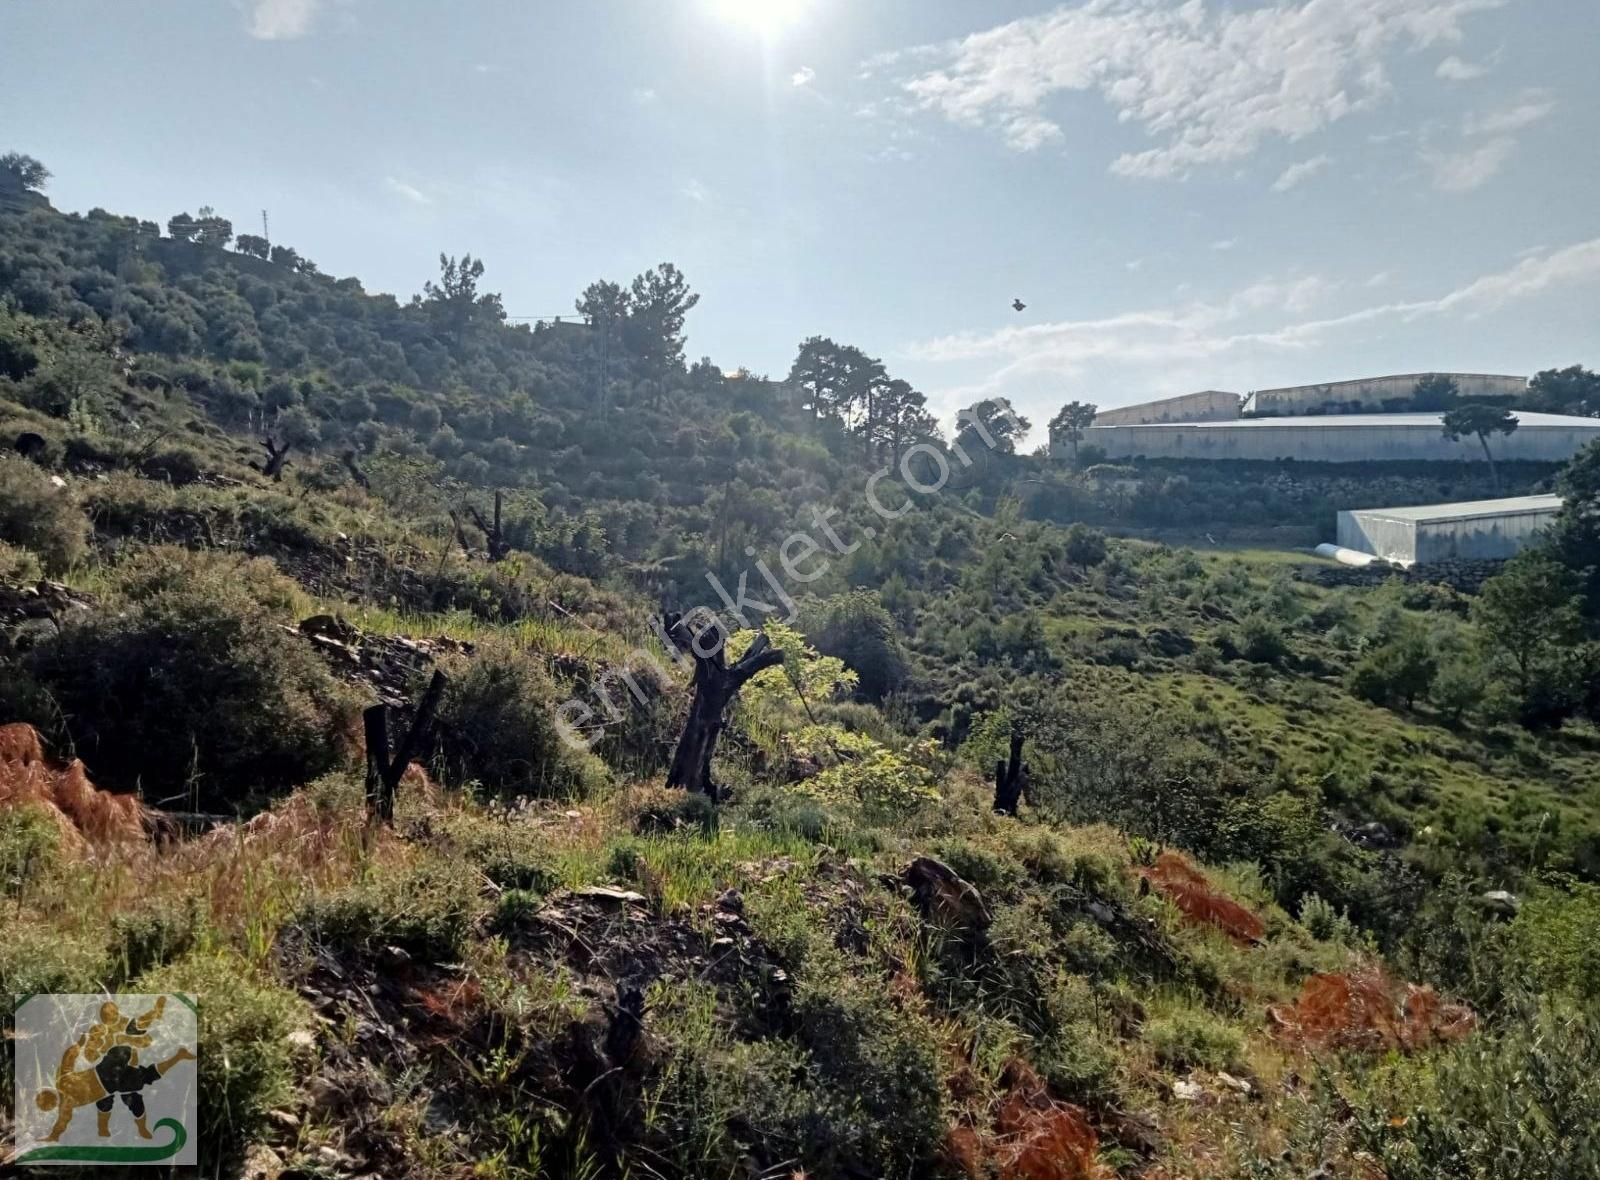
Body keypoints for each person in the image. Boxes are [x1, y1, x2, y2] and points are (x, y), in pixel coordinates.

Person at [35, 998, 193, 1142]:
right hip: (106, 1073)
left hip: (110, 1084)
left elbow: (62, 1123)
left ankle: (174, 1053)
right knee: (129, 1057)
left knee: (142, 1072)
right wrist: (80, 1043)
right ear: (49, 1090)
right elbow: (68, 1058)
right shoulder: (61, 1081)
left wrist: (53, 1136)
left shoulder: (65, 1105)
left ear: (52, 1106)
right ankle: (161, 1042)